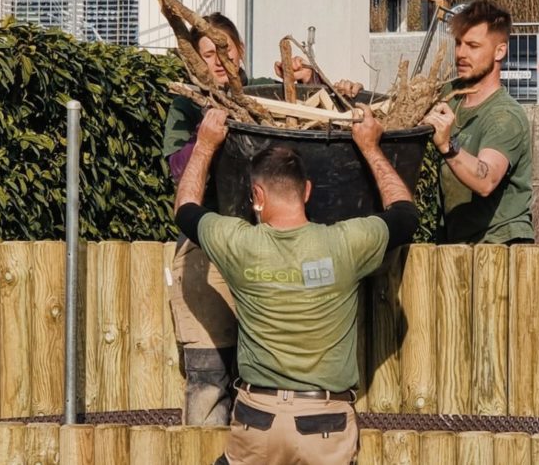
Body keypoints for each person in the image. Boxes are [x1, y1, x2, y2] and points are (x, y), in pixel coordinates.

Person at [173, 105, 418, 465]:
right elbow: (405, 215)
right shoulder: (345, 244)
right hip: (326, 425)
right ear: (306, 191)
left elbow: (185, 208)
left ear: (256, 196)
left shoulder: (238, 244)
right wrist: (369, 147)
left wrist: (206, 146)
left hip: (257, 422)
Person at [163, 12, 318, 425]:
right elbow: (178, 169)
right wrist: (205, 134)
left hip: (269, 252)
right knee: (209, 375)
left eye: (224, 51)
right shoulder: (185, 104)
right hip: (206, 254)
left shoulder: (261, 96)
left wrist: (312, 85)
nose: (217, 61)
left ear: (241, 51)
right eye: (207, 54)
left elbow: (311, 131)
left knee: (271, 375)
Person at [420, 0, 533, 244]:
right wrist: (353, 95)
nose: (460, 53)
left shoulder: (505, 116)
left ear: (499, 51)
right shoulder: (450, 93)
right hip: (458, 245)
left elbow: (486, 180)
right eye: (459, 44)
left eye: (472, 45)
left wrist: (447, 146)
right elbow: (401, 109)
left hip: (501, 248)